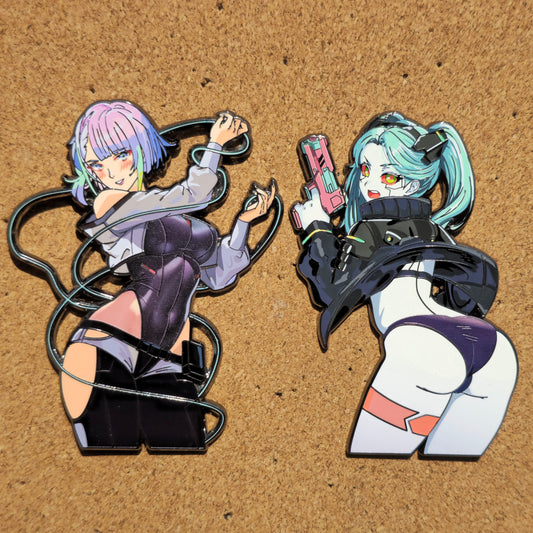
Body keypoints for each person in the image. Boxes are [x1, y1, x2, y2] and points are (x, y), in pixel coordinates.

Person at [292, 112, 517, 458]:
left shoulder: (370, 229)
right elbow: (463, 294)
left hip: (421, 346)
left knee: (373, 464)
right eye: (365, 170)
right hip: (491, 349)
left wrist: (317, 228)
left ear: (415, 182)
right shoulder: (434, 231)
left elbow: (331, 290)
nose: (371, 185)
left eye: (389, 176)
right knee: (448, 471)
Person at [61, 100, 276, 453]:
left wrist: (243, 223)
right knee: (110, 465)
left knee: (182, 458)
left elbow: (220, 275)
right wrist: (215, 145)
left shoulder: (171, 214)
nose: (110, 172)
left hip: (170, 360)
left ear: (141, 149)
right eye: (96, 164)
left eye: (120, 155)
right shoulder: (110, 204)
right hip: (109, 346)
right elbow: (195, 195)